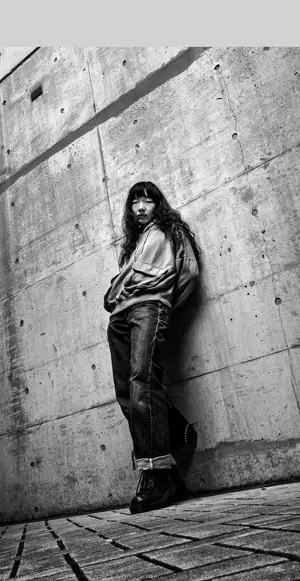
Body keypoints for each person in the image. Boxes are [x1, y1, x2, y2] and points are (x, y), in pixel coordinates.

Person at [104, 180, 203, 514]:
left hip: (149, 309)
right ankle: (170, 460)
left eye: (147, 201)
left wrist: (163, 306)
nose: (141, 207)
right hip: (119, 317)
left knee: (142, 384)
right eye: (135, 202)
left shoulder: (170, 231)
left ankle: (156, 474)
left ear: (157, 204)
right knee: (127, 393)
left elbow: (189, 274)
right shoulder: (133, 246)